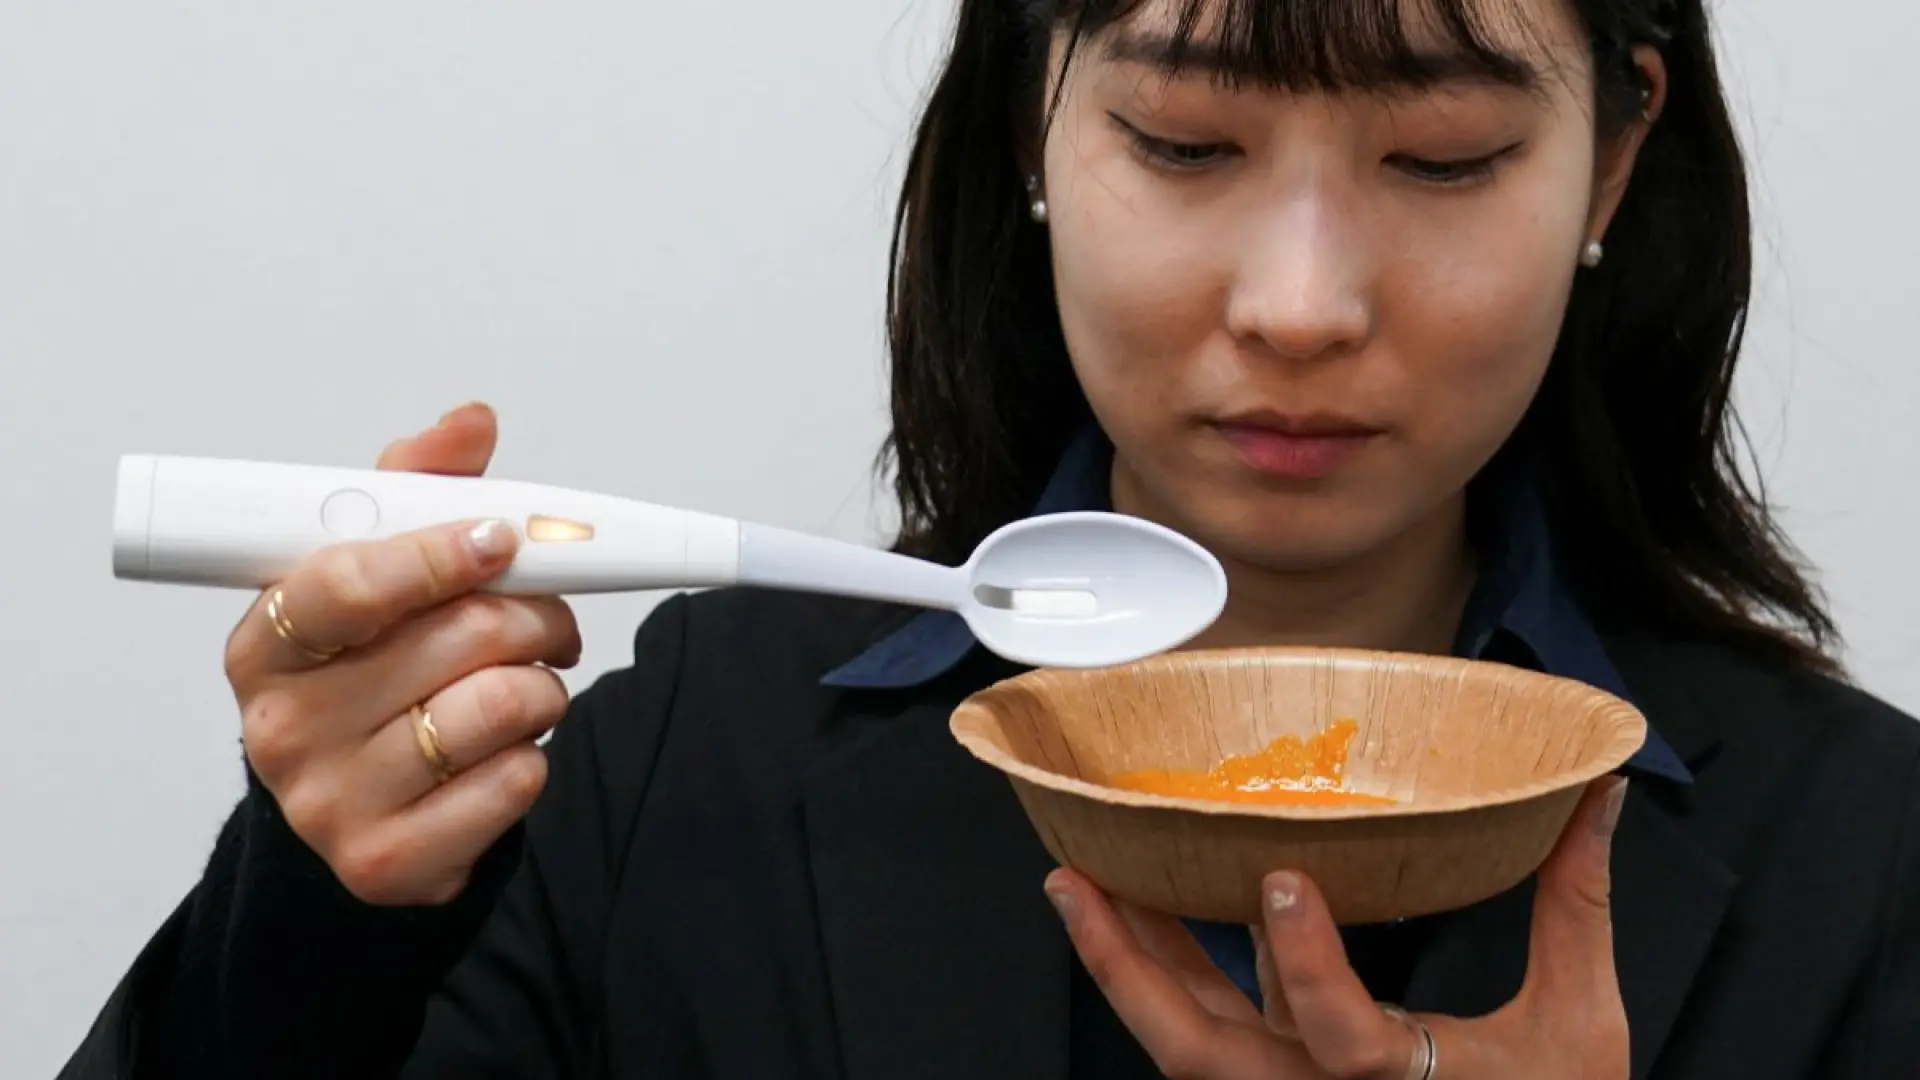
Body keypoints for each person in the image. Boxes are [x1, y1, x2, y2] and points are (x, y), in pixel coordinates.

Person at [59, 0, 1920, 1077]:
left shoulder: (1863, 860)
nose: (1299, 302)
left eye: (1440, 158)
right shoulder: (681, 775)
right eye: (1186, 141)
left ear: (1609, 158)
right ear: (1036, 114)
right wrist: (313, 903)